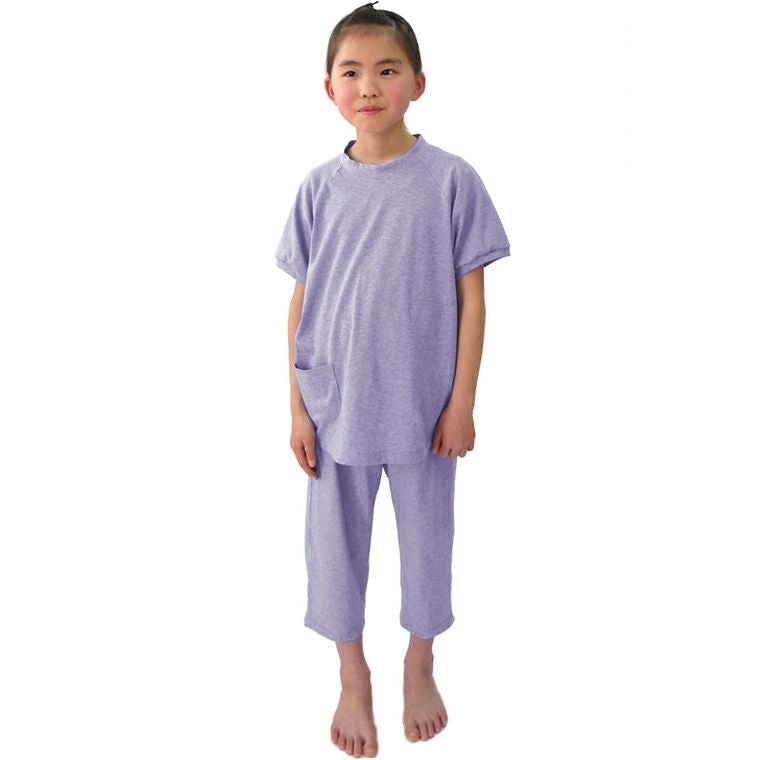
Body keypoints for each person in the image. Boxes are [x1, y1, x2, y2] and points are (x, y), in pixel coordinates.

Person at [274, 3, 511, 756]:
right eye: (352, 72)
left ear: (418, 83)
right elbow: (300, 302)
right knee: (333, 550)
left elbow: (474, 299)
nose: (369, 86)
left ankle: (420, 661)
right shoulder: (318, 189)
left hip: (422, 406)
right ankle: (352, 674)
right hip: (334, 402)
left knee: (427, 543)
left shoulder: (451, 180)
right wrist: (297, 410)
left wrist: (462, 402)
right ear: (329, 89)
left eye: (387, 70)